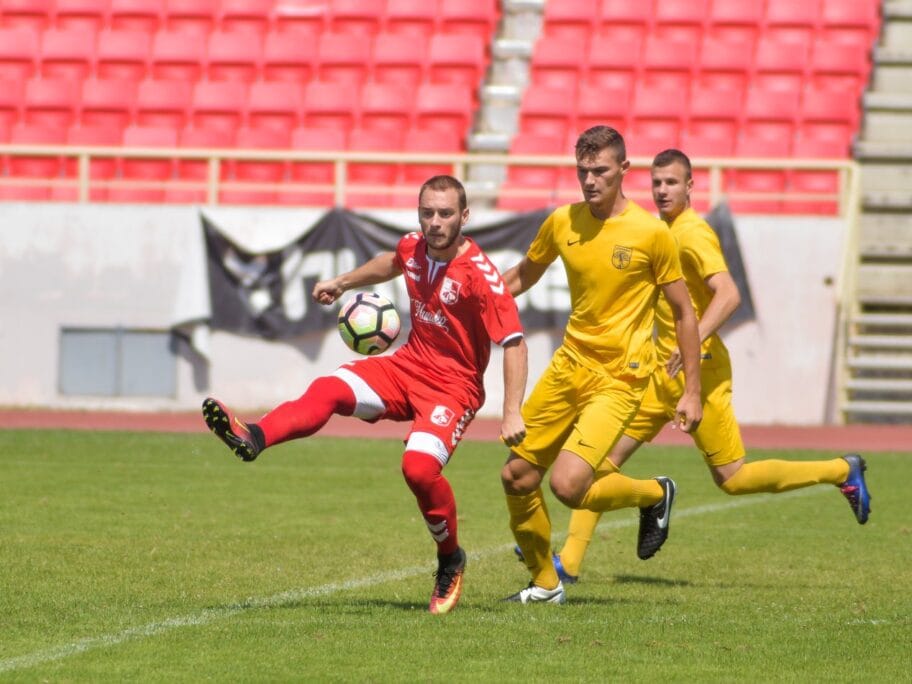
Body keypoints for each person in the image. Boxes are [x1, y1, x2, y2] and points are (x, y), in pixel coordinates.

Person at [202, 175, 528, 615]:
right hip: (407, 366)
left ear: (464, 217)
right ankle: (255, 437)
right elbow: (391, 261)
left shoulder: (482, 277)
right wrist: (343, 282)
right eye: (427, 212)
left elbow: (514, 342)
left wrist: (511, 412)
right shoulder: (414, 247)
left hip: (453, 390)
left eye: (446, 213)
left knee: (417, 470)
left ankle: (450, 558)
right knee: (330, 388)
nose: (435, 222)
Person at [548, 148, 872, 584]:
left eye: (671, 183)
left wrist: (691, 340)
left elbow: (729, 295)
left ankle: (840, 470)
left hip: (700, 370)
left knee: (733, 479)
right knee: (599, 461)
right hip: (656, 374)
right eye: (657, 183)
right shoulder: (655, 230)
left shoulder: (692, 233)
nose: (662, 191)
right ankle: (568, 562)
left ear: (690, 187)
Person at [498, 126, 704, 604]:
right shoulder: (562, 222)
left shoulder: (651, 233)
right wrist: (474, 298)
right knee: (517, 477)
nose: (589, 181)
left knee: (568, 485)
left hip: (621, 377)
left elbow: (683, 312)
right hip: (570, 365)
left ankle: (653, 493)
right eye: (582, 171)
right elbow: (524, 275)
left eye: (600, 171)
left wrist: (691, 390)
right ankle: (545, 586)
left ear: (623, 171)